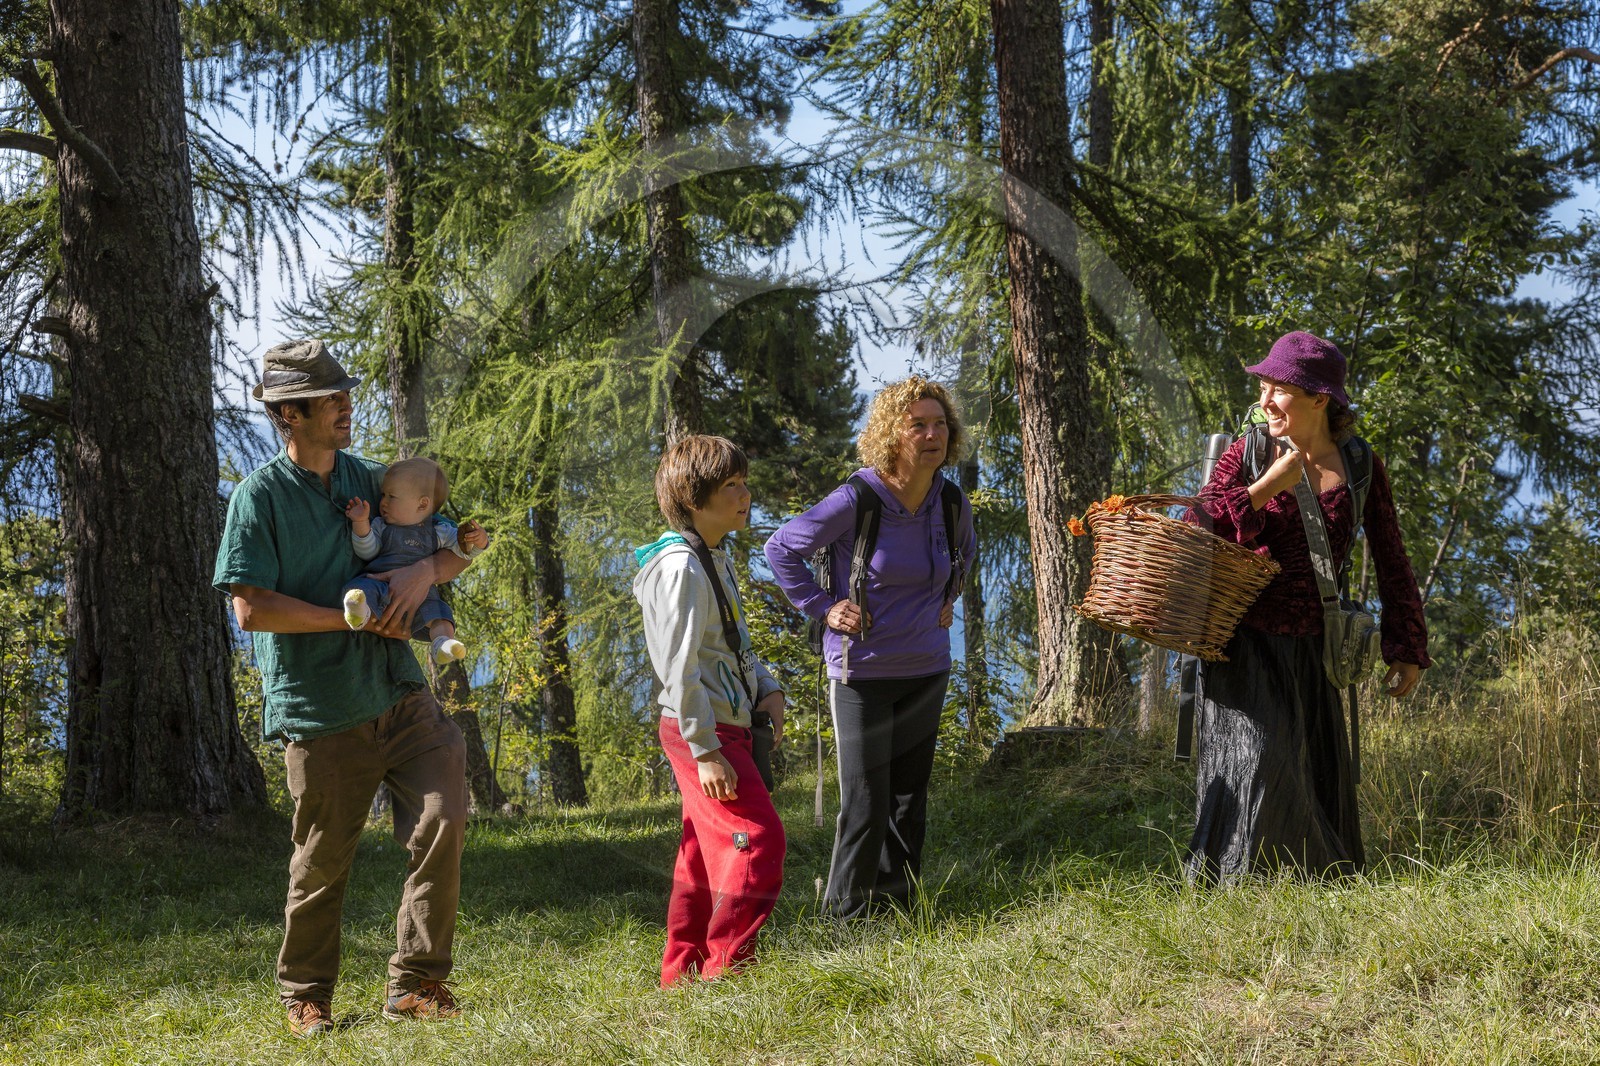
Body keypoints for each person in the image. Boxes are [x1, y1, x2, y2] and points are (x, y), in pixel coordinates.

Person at [213, 338, 472, 1036]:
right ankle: (306, 994)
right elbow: (250, 610)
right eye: (328, 398)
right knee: (323, 862)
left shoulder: (374, 479)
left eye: (344, 392)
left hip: (399, 690)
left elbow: (447, 547)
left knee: (445, 814)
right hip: (321, 706)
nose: (345, 404)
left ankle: (417, 983)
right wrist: (347, 619)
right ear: (289, 415)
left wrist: (424, 574)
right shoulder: (259, 498)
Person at [1186, 330, 1430, 885]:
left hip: (1316, 649)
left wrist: (1407, 646)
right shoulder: (1248, 454)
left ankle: (1318, 893)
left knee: (1309, 774)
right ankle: (1239, 895)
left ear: (1320, 399)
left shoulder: (1361, 465)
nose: (1265, 402)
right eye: (1263, 388)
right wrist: (1266, 487)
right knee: (1261, 763)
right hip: (1241, 643)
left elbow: (1392, 558)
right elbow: (1194, 526)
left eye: (1279, 390)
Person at [764, 377, 976, 921]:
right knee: (864, 803)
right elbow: (781, 548)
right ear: (891, 435)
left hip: (927, 668)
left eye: (939, 424)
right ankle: (843, 923)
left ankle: (897, 914)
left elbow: (963, 556)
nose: (932, 435)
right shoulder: (858, 499)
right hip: (861, 674)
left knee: (908, 802)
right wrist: (823, 607)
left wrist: (948, 598)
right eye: (917, 425)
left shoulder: (951, 501)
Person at [633, 435, 787, 986]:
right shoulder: (681, 568)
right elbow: (679, 668)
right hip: (704, 727)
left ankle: (683, 970)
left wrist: (767, 688)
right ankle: (727, 970)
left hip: (723, 721)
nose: (745, 495)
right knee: (758, 840)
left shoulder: (711, 557)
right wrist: (706, 750)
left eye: (744, 482)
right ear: (693, 499)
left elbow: (728, 646)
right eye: (731, 486)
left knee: (700, 852)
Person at [341, 456, 489, 665]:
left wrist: (479, 541)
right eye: (383, 495)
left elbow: (462, 551)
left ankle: (443, 644)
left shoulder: (439, 530)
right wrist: (361, 523)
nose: (383, 502)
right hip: (380, 581)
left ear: (422, 504)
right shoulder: (381, 525)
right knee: (359, 590)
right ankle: (360, 614)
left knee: (440, 614)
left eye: (391, 496)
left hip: (422, 595)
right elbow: (368, 552)